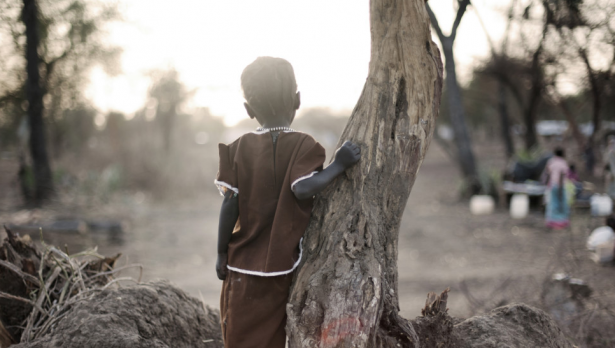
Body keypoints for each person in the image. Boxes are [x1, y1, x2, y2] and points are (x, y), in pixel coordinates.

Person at [214, 57, 361, 348]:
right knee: (274, 336)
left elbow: (230, 205)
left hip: (240, 266)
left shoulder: (238, 149)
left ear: (248, 110)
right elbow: (303, 188)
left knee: (239, 334)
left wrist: (221, 253)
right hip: (285, 265)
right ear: (297, 99)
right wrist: (339, 165)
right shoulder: (305, 145)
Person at [543, 147, 570, 229]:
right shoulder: (563, 163)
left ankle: (552, 222)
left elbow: (548, 174)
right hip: (560, 186)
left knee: (553, 203)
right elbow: (561, 175)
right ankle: (561, 222)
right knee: (561, 204)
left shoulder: (551, 162)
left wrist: (546, 184)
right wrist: (560, 189)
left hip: (552, 185)